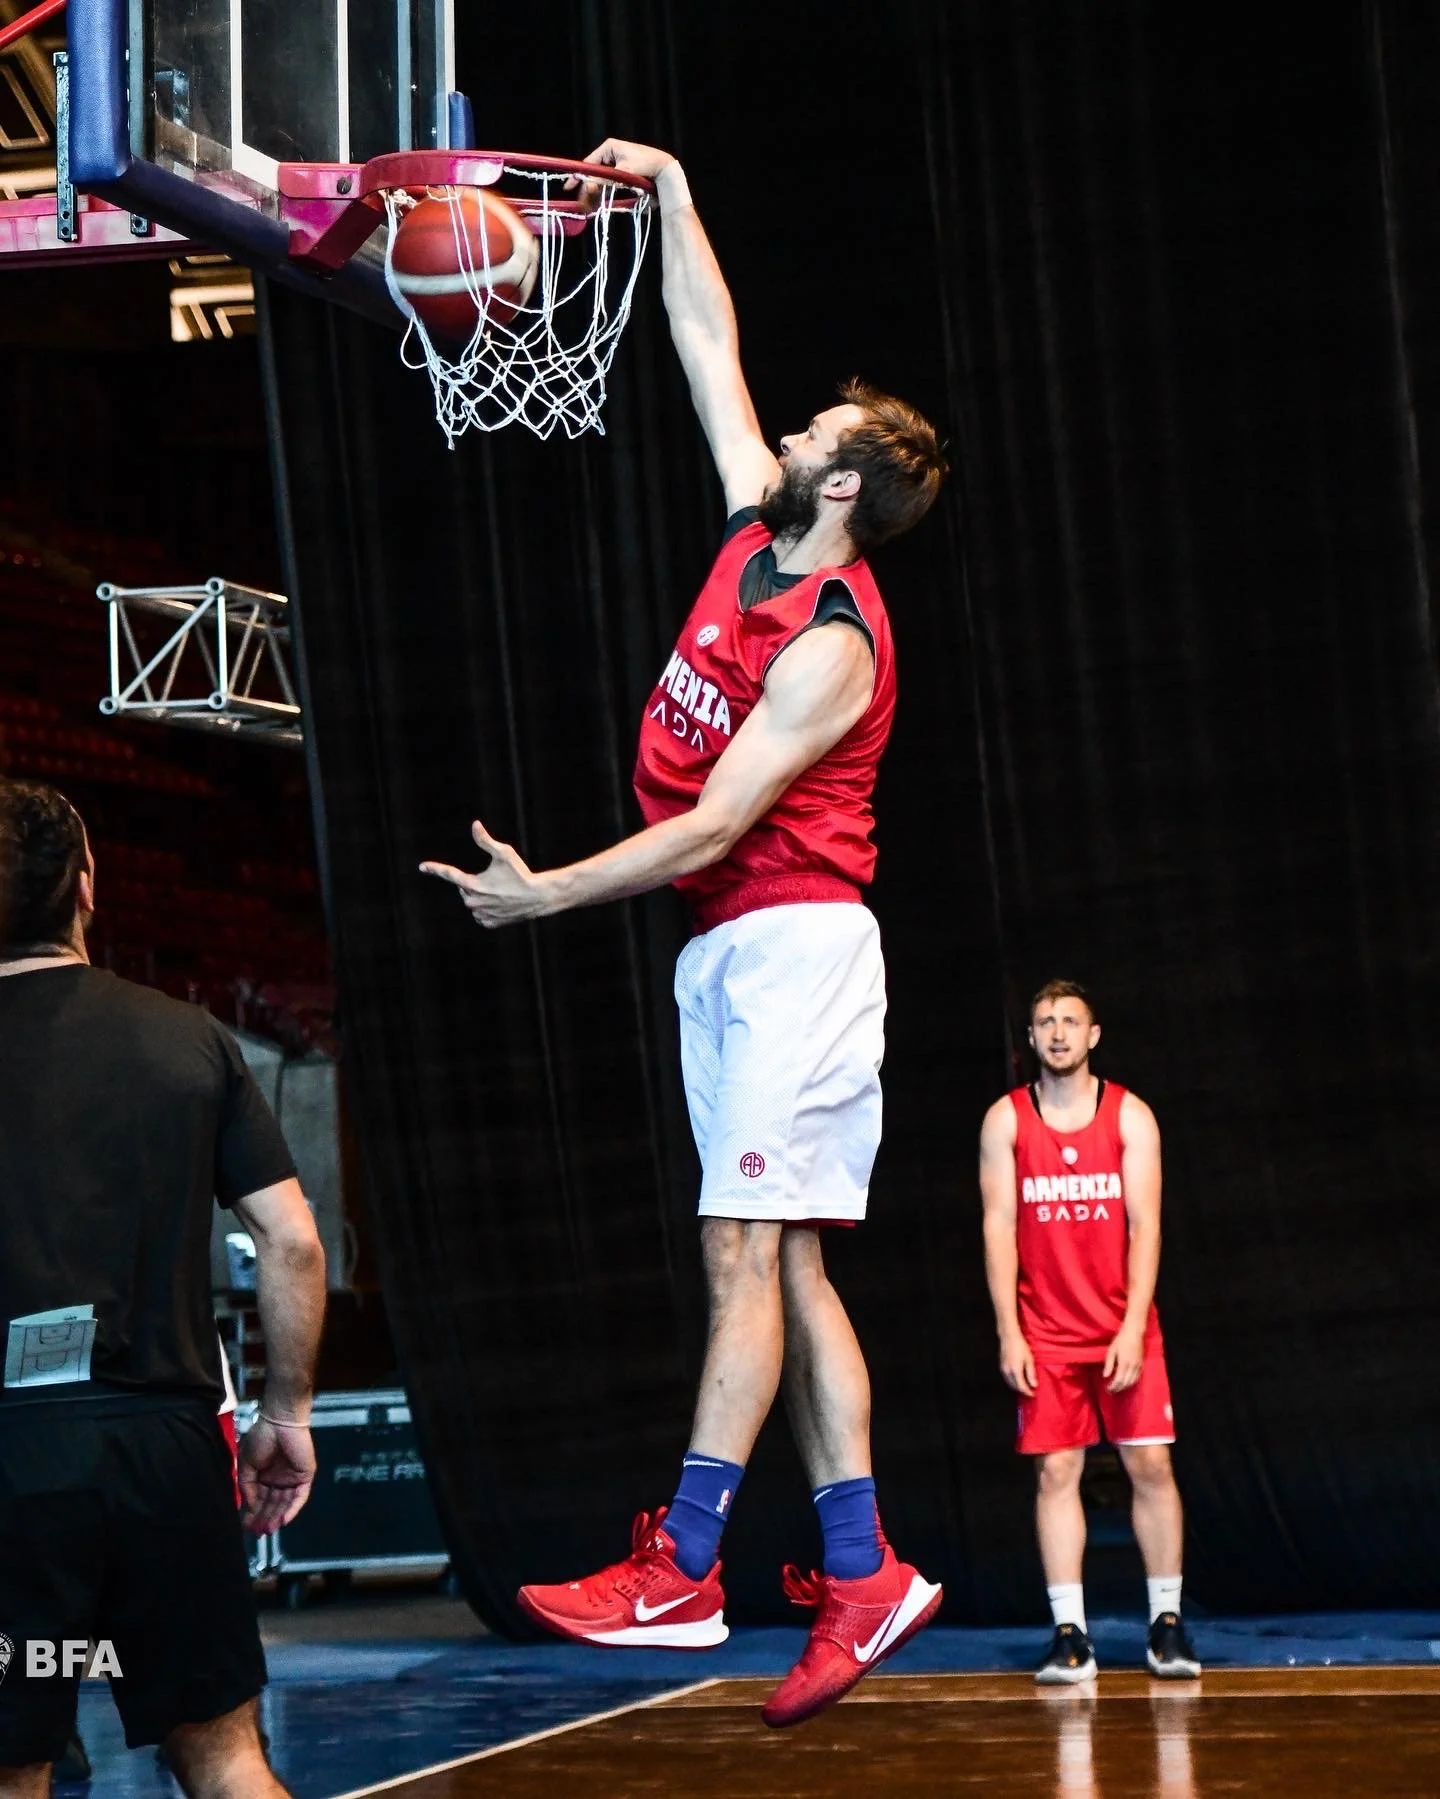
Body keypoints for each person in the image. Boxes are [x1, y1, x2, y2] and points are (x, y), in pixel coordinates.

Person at [421, 136, 948, 1728]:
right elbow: (705, 341)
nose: (785, 429)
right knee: (781, 1270)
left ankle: (691, 1558)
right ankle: (865, 1570)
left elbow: (718, 825)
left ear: (844, 481)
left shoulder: (836, 643)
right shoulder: (751, 530)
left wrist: (545, 893)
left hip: (791, 936)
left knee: (743, 1244)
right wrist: (672, 193)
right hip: (728, 951)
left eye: (815, 433)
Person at [0, 780, 327, 1798]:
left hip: (14, 1459)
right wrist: (287, 1410)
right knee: (226, 1754)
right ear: (87, 886)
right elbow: (294, 1240)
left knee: (12, 1767)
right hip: (166, 1455)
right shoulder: (189, 1037)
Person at [978, 980, 1201, 1684]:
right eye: (1045, 1021)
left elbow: (1147, 1224)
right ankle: (1069, 1633)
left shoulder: (1131, 1116)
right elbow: (998, 1227)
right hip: (1045, 1331)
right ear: (1032, 1036)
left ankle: (1165, 1623)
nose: (1057, 1032)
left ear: (1093, 1034)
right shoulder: (1006, 1121)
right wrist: (1009, 1331)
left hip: (1120, 1327)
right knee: (1057, 1471)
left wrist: (1134, 1325)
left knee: (1151, 1466)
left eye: (1070, 1020)